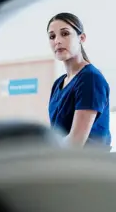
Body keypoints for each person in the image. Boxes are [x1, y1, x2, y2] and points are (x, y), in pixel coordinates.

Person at [47, 12, 111, 149]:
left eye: (64, 34)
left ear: (81, 38)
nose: (57, 41)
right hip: (64, 163)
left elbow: (75, 142)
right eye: (52, 36)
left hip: (87, 165)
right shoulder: (58, 83)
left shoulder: (90, 78)